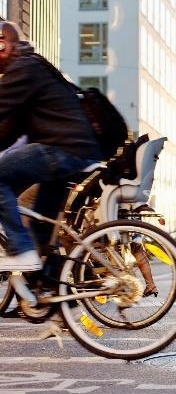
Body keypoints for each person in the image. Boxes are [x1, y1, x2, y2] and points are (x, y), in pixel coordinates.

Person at [0, 21, 102, 272]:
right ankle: (52, 294)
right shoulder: (32, 68)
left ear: (3, 45)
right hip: (78, 152)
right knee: (41, 229)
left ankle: (21, 252)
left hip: (64, 150)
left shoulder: (24, 68)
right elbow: (8, 130)